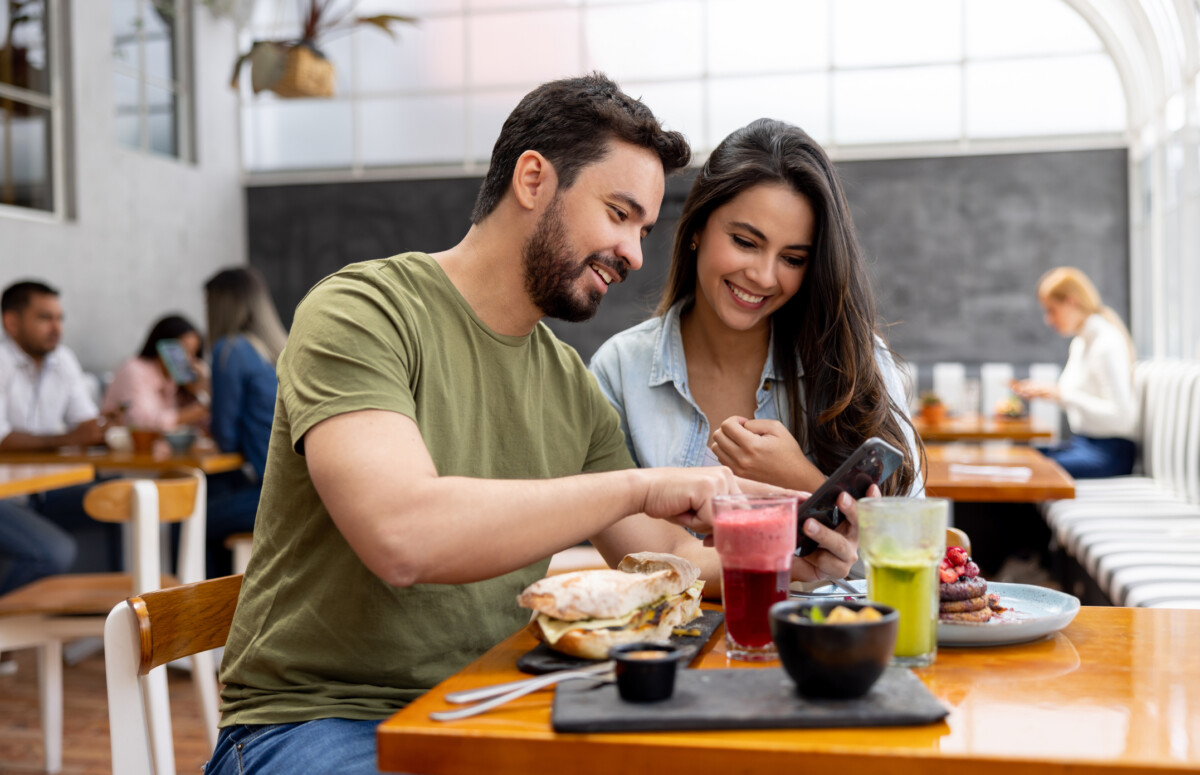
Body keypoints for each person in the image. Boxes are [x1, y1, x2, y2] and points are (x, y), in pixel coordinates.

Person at [206, 74, 864, 775]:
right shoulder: (363, 311)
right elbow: (401, 535)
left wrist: (784, 564)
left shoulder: (568, 385)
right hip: (320, 719)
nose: (635, 252)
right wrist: (637, 485)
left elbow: (665, 557)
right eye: (618, 214)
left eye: (643, 229)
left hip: (487, 704)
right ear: (532, 179)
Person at [589, 118, 922, 499]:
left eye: (793, 259)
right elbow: (630, 542)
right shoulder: (619, 371)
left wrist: (802, 481)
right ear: (697, 227)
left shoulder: (857, 361)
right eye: (745, 242)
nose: (764, 277)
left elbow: (915, 546)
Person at [0, 280, 111, 586]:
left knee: (119, 496)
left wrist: (107, 427)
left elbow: (87, 424)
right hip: (5, 496)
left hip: (43, 492)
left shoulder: (62, 360)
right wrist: (67, 439)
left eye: (60, 318)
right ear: (11, 322)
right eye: (44, 318)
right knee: (54, 552)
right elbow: (2, 440)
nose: (57, 327)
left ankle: (123, 617)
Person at [1011, 266, 1138, 478]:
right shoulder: (1080, 343)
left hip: (1109, 453)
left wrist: (1062, 394)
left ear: (1071, 301)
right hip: (1082, 443)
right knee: (1018, 459)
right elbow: (1078, 400)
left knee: (1029, 469)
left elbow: (1122, 418)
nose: (1048, 319)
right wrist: (1050, 394)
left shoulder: (1106, 343)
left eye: (1051, 310)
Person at [202, 267, 288, 578]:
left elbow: (225, 437)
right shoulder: (280, 349)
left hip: (271, 496)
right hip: (302, 489)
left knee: (190, 517)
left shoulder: (230, 350)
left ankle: (195, 614)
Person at [101, 314, 210, 432]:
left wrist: (200, 390)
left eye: (193, 353)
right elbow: (143, 423)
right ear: (161, 346)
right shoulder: (134, 370)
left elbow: (203, 426)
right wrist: (196, 411)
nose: (188, 360)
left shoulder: (175, 380)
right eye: (183, 351)